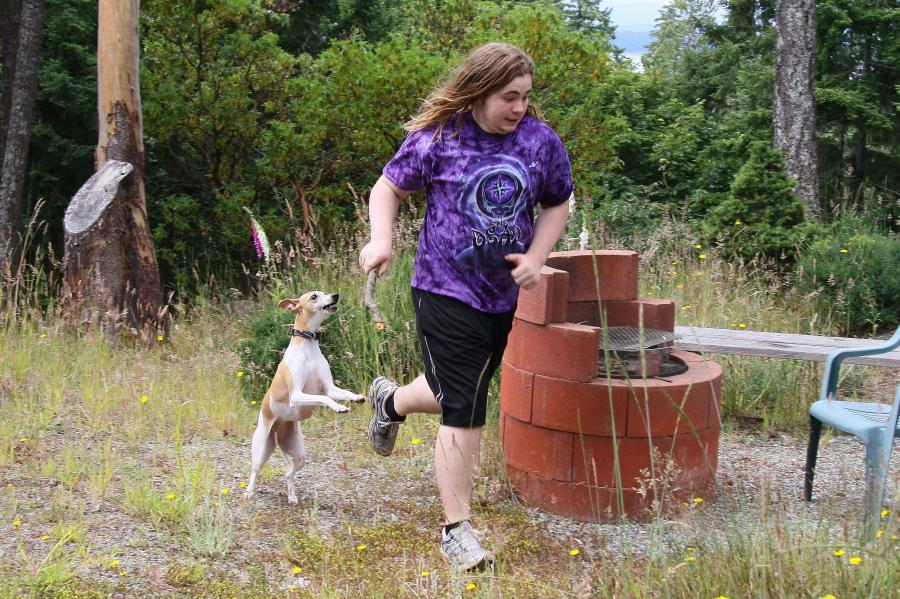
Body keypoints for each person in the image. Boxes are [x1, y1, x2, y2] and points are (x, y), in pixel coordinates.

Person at [358, 42, 573, 571]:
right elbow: (387, 187)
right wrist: (381, 240)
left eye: (525, 96)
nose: (518, 107)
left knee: (457, 391)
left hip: (501, 295)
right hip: (442, 287)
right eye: (508, 97)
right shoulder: (440, 138)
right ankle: (457, 530)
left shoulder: (539, 141)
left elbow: (557, 202)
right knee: (466, 406)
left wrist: (536, 258)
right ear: (479, 91)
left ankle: (391, 401)